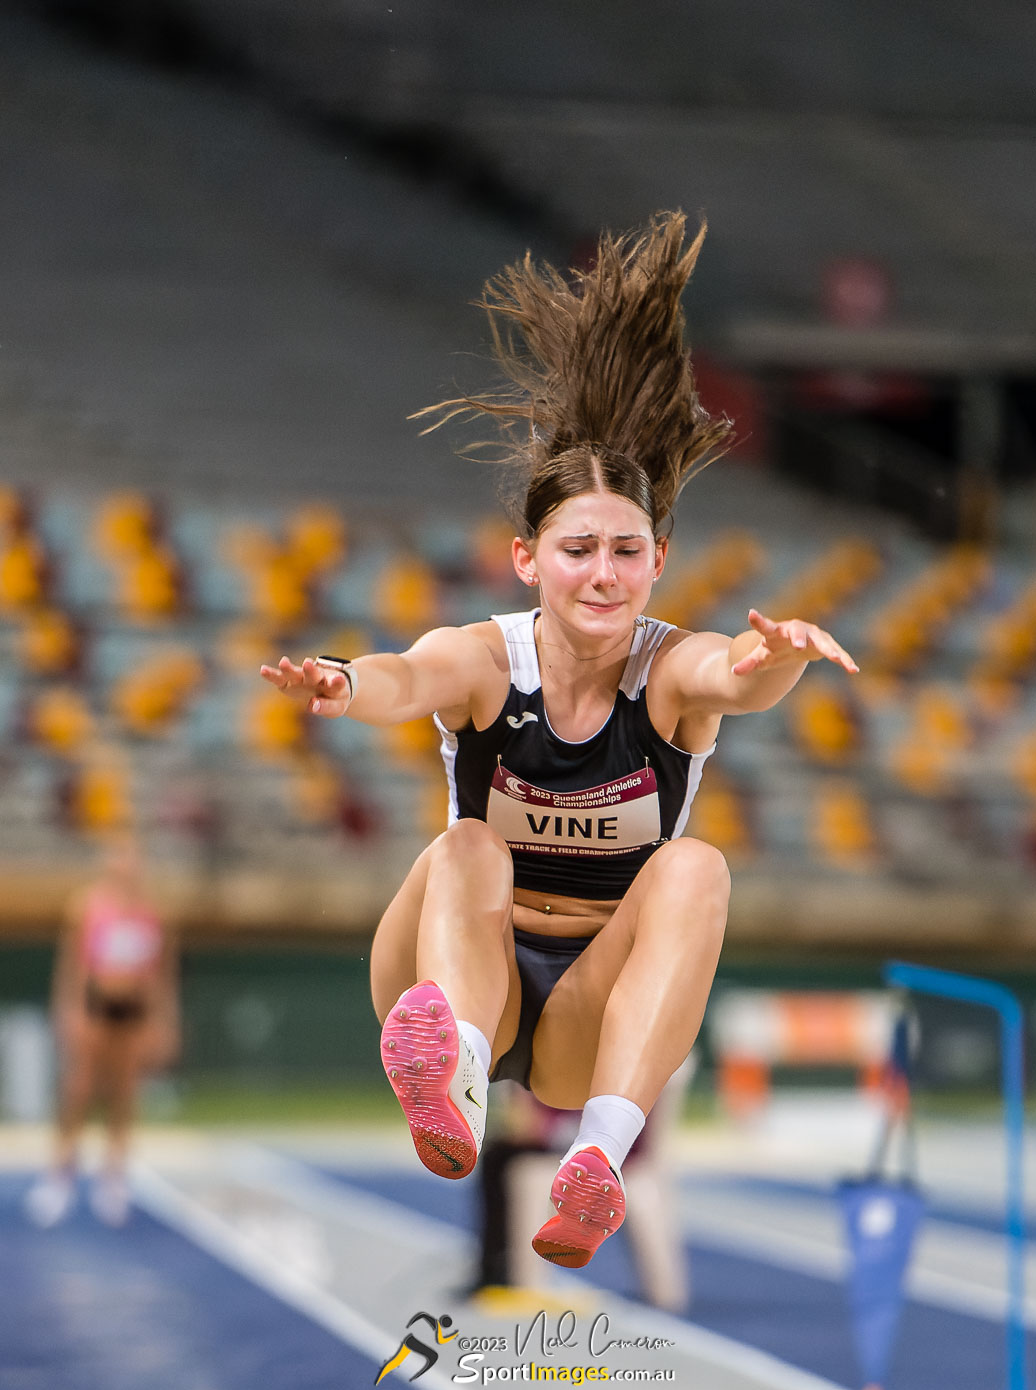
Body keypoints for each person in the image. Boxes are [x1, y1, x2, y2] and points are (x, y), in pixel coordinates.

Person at [261, 211, 858, 1269]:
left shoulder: (667, 668)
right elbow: (409, 677)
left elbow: (730, 672)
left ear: (659, 558)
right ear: (528, 559)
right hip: (459, 967)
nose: (603, 573)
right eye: (578, 548)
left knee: (696, 867)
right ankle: (439, 1065)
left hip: (589, 1010)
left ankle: (597, 1160)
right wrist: (346, 683)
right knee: (465, 846)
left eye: (626, 551)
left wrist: (781, 659)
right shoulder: (488, 659)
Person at [24, 833, 180, 1228]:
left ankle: (113, 1177)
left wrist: (163, 1019)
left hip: (134, 1008)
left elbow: (163, 973)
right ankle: (61, 1173)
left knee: (124, 1093)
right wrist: (69, 1009)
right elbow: (73, 966)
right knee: (78, 1089)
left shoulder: (154, 911)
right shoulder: (88, 905)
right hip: (96, 1004)